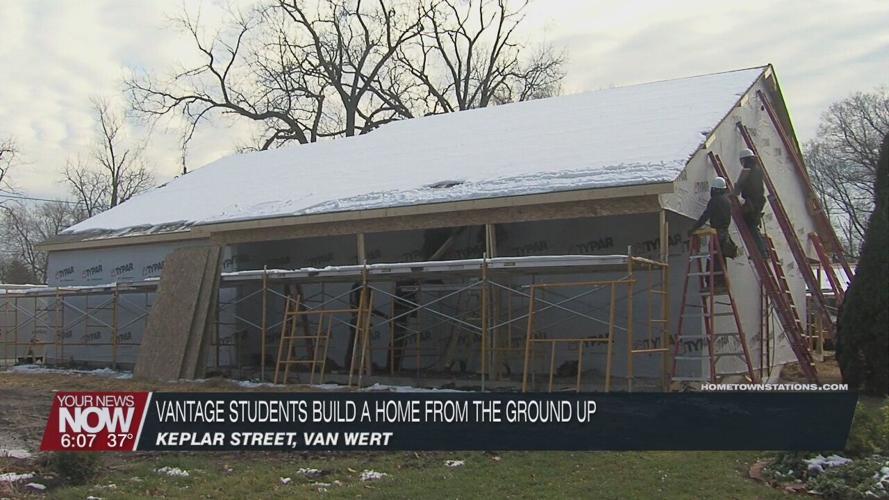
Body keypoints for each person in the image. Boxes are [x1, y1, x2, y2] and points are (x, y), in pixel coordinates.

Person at [689, 177, 736, 289]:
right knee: (721, 260)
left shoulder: (715, 200)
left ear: (715, 189)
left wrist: (693, 229)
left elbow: (705, 216)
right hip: (724, 234)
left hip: (716, 234)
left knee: (713, 259)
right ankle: (722, 283)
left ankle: (712, 283)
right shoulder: (727, 201)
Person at [733, 148, 767, 256]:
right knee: (754, 225)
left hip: (752, 202)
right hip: (759, 201)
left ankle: (762, 252)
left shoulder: (747, 170)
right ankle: (764, 250)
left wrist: (732, 192)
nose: (742, 164)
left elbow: (738, 188)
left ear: (745, 160)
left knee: (751, 226)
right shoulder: (758, 169)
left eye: (742, 161)